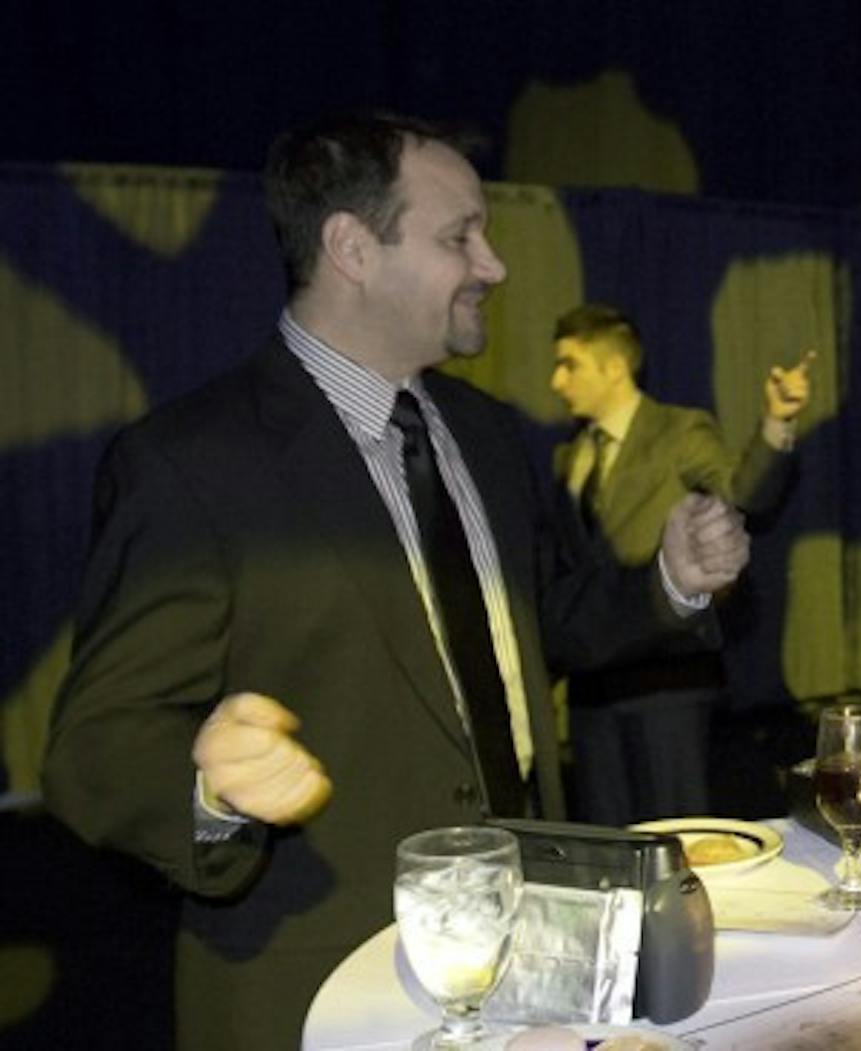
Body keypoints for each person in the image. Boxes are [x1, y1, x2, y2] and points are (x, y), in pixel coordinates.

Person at [39, 112, 750, 1050]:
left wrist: (669, 578)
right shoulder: (190, 463)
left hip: (534, 959)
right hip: (321, 983)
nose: (492, 265)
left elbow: (543, 628)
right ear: (351, 249)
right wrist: (210, 788)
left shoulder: (486, 434)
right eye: (460, 236)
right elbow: (95, 747)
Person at [549, 303, 810, 823]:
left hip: (666, 681)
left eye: (570, 364)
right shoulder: (568, 456)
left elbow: (742, 492)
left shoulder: (677, 430)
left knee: (680, 838)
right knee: (612, 846)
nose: (556, 381)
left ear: (614, 367)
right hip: (592, 691)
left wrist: (776, 425)